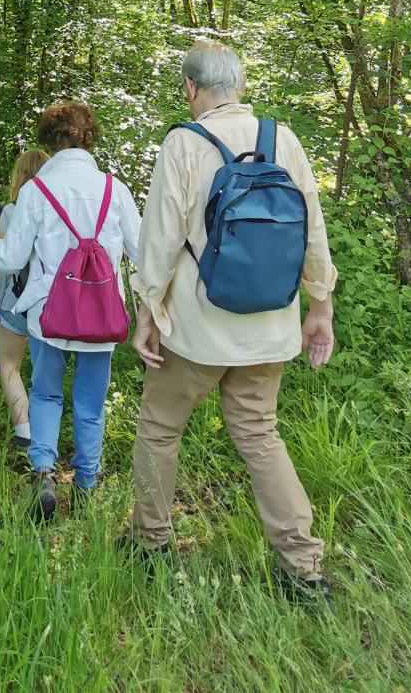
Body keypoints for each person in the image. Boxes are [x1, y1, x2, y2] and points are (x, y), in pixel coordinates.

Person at [127, 40, 337, 609]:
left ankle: (150, 545)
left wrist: (148, 311)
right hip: (270, 325)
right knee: (260, 435)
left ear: (191, 90)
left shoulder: (184, 143)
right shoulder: (282, 138)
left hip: (198, 328)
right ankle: (304, 568)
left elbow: (162, 239)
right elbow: (311, 229)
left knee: (161, 427)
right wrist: (320, 307)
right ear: (239, 84)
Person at [0, 103, 140, 524]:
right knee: (91, 403)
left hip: (48, 317)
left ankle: (44, 474)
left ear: (49, 142)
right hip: (102, 318)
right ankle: (87, 483)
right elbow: (143, 252)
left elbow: (12, 259)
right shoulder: (115, 189)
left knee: (47, 394)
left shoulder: (37, 191)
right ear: (90, 138)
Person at [0, 148, 49, 456]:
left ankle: (23, 432)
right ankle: (46, 436)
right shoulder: (58, 207)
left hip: (19, 298)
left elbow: (6, 265)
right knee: (46, 372)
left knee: (10, 365)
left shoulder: (13, 209)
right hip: (53, 299)